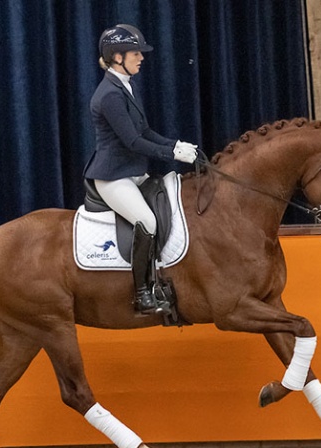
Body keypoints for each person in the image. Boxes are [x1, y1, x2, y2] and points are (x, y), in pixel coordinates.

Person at [83, 23, 198, 315]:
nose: (141, 57)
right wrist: (172, 154)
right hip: (113, 177)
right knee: (147, 221)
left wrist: (176, 143)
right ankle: (142, 293)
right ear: (117, 56)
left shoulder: (125, 87)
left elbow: (144, 130)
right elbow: (133, 141)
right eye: (136, 53)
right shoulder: (109, 95)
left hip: (133, 171)